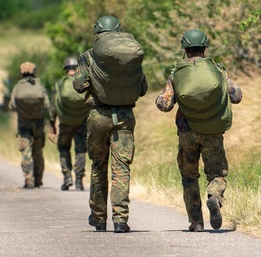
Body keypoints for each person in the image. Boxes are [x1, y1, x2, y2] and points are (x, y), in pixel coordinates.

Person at [155, 29, 243, 231]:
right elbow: (236, 96)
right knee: (217, 174)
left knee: (189, 177)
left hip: (187, 133)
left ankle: (196, 222)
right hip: (213, 131)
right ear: (204, 48)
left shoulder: (177, 74)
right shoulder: (218, 70)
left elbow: (164, 105)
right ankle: (214, 196)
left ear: (185, 49)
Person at [72, 15, 148, 233]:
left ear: (98, 33)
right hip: (124, 117)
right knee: (121, 168)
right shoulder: (131, 59)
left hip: (98, 116)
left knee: (98, 167)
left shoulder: (88, 56)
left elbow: (78, 86)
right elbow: (142, 88)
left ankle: (98, 217)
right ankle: (120, 219)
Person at [49, 56, 89, 191]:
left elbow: (53, 107)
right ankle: (78, 181)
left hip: (65, 123)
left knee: (64, 148)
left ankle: (67, 177)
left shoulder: (59, 85)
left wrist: (51, 124)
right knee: (81, 150)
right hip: (82, 122)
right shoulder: (84, 85)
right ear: (77, 69)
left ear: (66, 69)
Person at [8, 61, 50, 189]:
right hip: (38, 124)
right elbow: (47, 105)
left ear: (22, 72)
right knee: (37, 152)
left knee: (26, 152)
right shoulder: (39, 85)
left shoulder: (17, 87)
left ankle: (28, 178)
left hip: (23, 125)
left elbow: (11, 106)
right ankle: (38, 179)